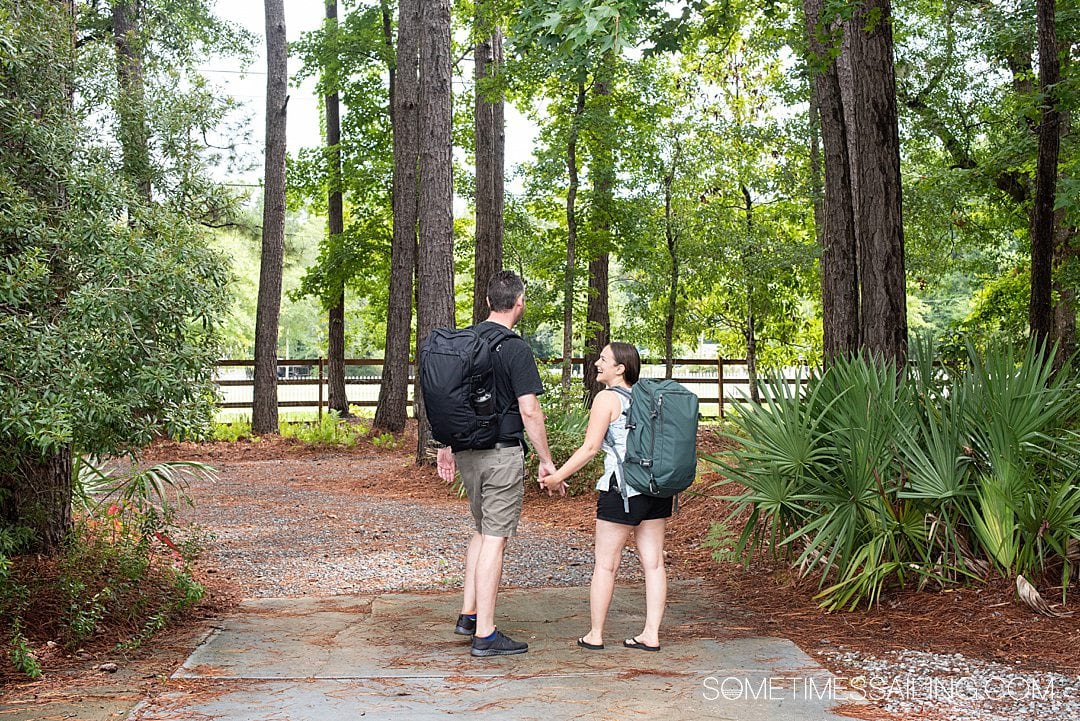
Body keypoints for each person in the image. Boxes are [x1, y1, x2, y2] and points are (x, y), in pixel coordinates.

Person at [435, 270, 558, 657]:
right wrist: (546, 460)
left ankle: (469, 613)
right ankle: (485, 635)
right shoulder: (516, 348)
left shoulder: (465, 341)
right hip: (502, 452)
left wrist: (445, 444)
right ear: (519, 302)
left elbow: (448, 398)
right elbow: (530, 410)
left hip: (467, 451)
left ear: (489, 302)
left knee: (481, 530)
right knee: (495, 538)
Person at [539, 342, 670, 652]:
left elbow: (589, 448)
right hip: (655, 488)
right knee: (653, 565)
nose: (597, 363)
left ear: (620, 368)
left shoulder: (607, 399)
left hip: (621, 489)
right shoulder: (650, 396)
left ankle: (595, 634)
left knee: (606, 566)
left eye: (603, 359)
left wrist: (558, 476)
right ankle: (651, 634)